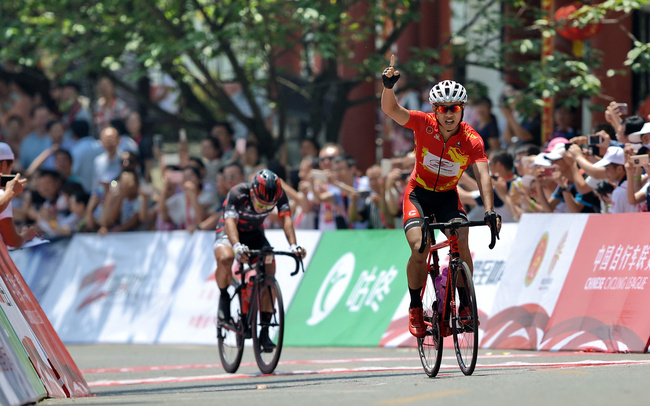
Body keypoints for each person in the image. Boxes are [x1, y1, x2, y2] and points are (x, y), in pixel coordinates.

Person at [380, 55, 501, 338]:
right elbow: (392, 110)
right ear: (435, 110)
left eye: (455, 108)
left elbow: (484, 175)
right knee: (420, 247)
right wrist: (388, 86)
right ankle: (414, 307)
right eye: (443, 108)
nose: (449, 113)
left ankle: (465, 305)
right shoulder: (423, 124)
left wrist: (490, 210)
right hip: (418, 195)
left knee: (460, 238)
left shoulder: (472, 140)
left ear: (462, 110)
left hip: (448, 196)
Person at [214, 169, 306, 350]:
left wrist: (293, 245)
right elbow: (231, 222)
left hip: (254, 233)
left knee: (270, 265)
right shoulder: (237, 193)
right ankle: (224, 297)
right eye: (260, 204)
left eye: (267, 207)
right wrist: (236, 246)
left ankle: (264, 330)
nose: (263, 209)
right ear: (252, 192)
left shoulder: (279, 195)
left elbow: (285, 218)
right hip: (229, 230)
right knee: (225, 258)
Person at [0, 143, 37, 247]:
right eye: (11, 166)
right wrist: (26, 235)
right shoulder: (3, 195)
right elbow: (13, 241)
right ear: (4, 165)